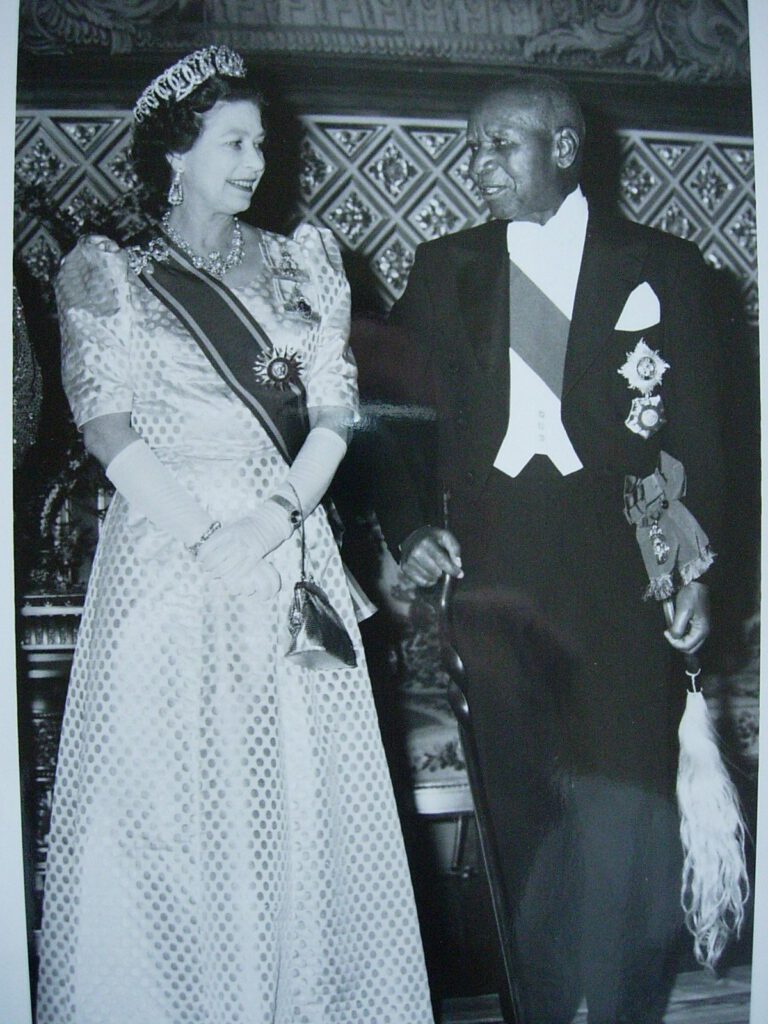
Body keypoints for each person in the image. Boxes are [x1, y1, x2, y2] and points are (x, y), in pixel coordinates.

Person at [36, 46, 434, 1024]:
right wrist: (202, 537)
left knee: (297, 795)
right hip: (166, 555)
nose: (256, 160)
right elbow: (105, 423)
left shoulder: (304, 259)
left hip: (283, 544)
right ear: (177, 152)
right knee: (166, 798)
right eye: (235, 141)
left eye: (263, 141)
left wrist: (269, 520)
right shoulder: (108, 272)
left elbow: (337, 415)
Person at [381, 75, 723, 1024]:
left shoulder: (664, 266)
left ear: (565, 147)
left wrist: (701, 571)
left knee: (625, 811)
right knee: (522, 814)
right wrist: (411, 525)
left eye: (503, 146)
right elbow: (399, 422)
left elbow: (706, 432)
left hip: (623, 573)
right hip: (492, 577)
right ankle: (538, 1001)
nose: (479, 165)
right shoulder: (442, 268)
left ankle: (618, 1007)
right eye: (474, 146)